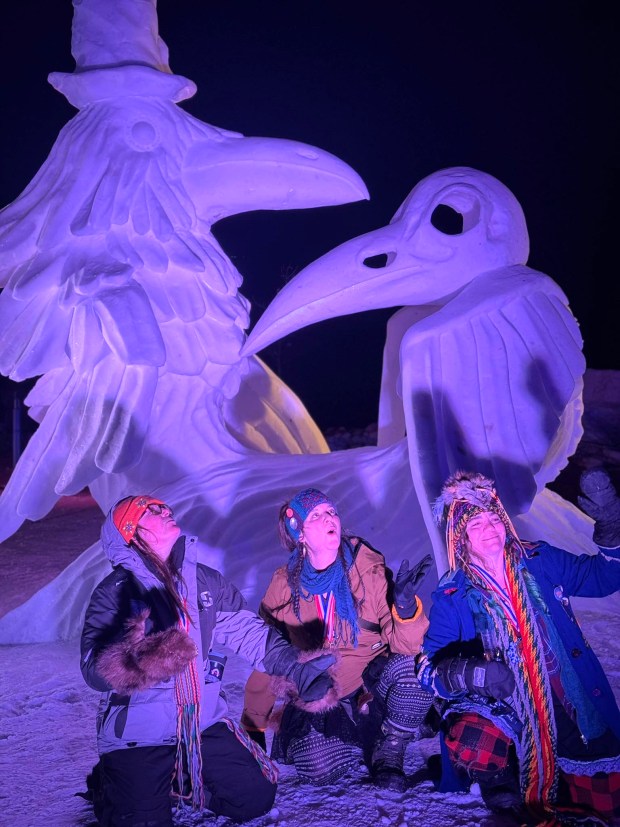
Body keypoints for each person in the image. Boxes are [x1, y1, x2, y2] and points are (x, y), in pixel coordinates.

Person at [80, 494, 336, 827]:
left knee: (255, 796)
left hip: (201, 724)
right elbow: (92, 668)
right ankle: (112, 785)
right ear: (132, 532)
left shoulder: (204, 582)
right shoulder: (116, 591)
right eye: (152, 511)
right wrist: (143, 659)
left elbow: (250, 632)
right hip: (140, 734)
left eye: (165, 506)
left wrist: (295, 668)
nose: (166, 510)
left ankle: (177, 783)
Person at [417, 468, 620, 825]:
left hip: (568, 696)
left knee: (608, 805)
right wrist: (472, 672)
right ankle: (503, 783)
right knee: (473, 737)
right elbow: (428, 668)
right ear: (460, 540)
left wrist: (611, 526)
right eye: (474, 526)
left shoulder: (540, 561)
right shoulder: (454, 596)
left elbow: (604, 577)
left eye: (492, 519)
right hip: (506, 711)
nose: (489, 530)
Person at [241, 487, 434, 791]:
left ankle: (391, 750)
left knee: (415, 670)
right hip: (319, 693)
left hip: (370, 681)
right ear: (300, 534)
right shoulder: (282, 585)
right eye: (316, 515)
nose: (329, 518)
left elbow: (405, 648)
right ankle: (367, 734)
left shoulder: (367, 569)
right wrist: (252, 727)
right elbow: (264, 653)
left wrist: (406, 608)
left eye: (331, 511)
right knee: (316, 769)